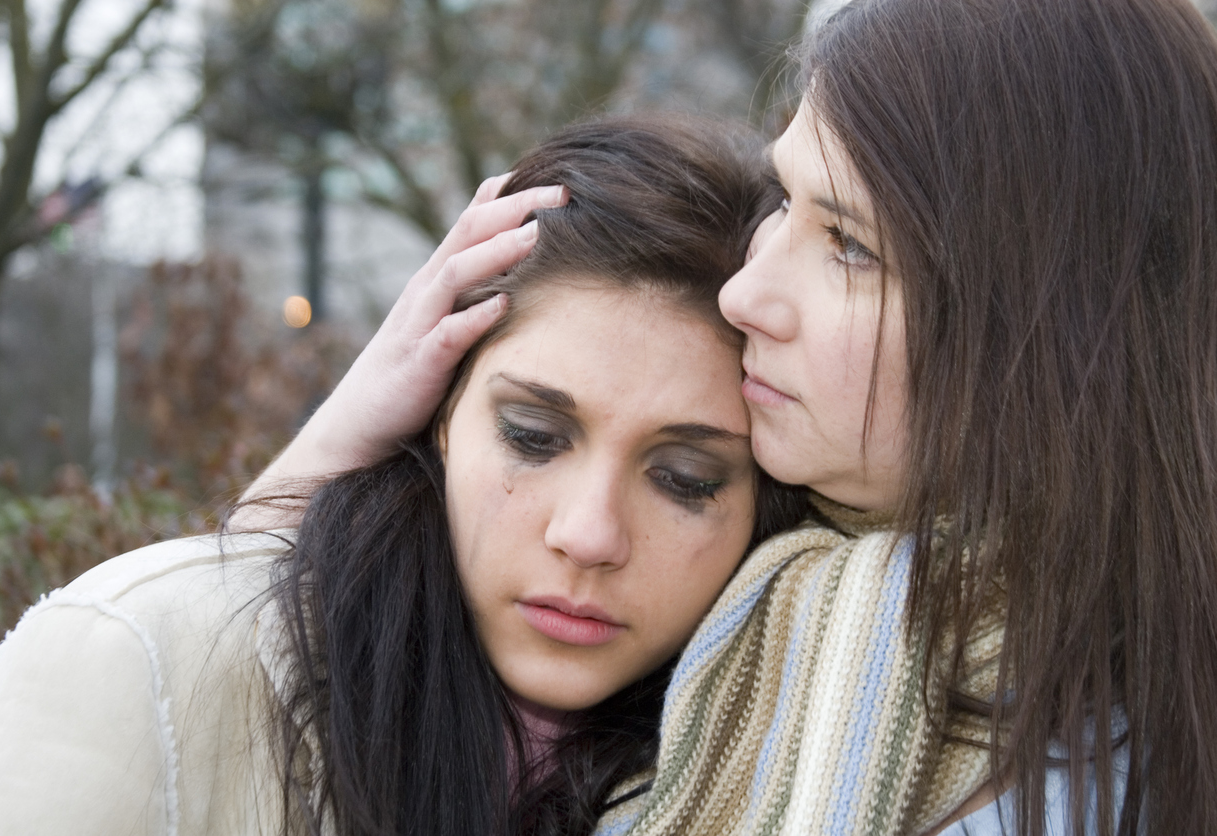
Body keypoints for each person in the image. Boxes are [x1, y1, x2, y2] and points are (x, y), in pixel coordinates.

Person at [244, 1, 1217, 834]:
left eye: (848, 245)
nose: (747, 292)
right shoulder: (755, 626)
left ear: (1054, 322)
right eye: (784, 203)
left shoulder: (1095, 753)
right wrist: (345, 438)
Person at [0, 116, 807, 835]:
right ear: (440, 414)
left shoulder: (809, 762)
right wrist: (340, 427)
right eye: (534, 436)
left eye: (687, 480)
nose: (588, 535)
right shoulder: (128, 662)